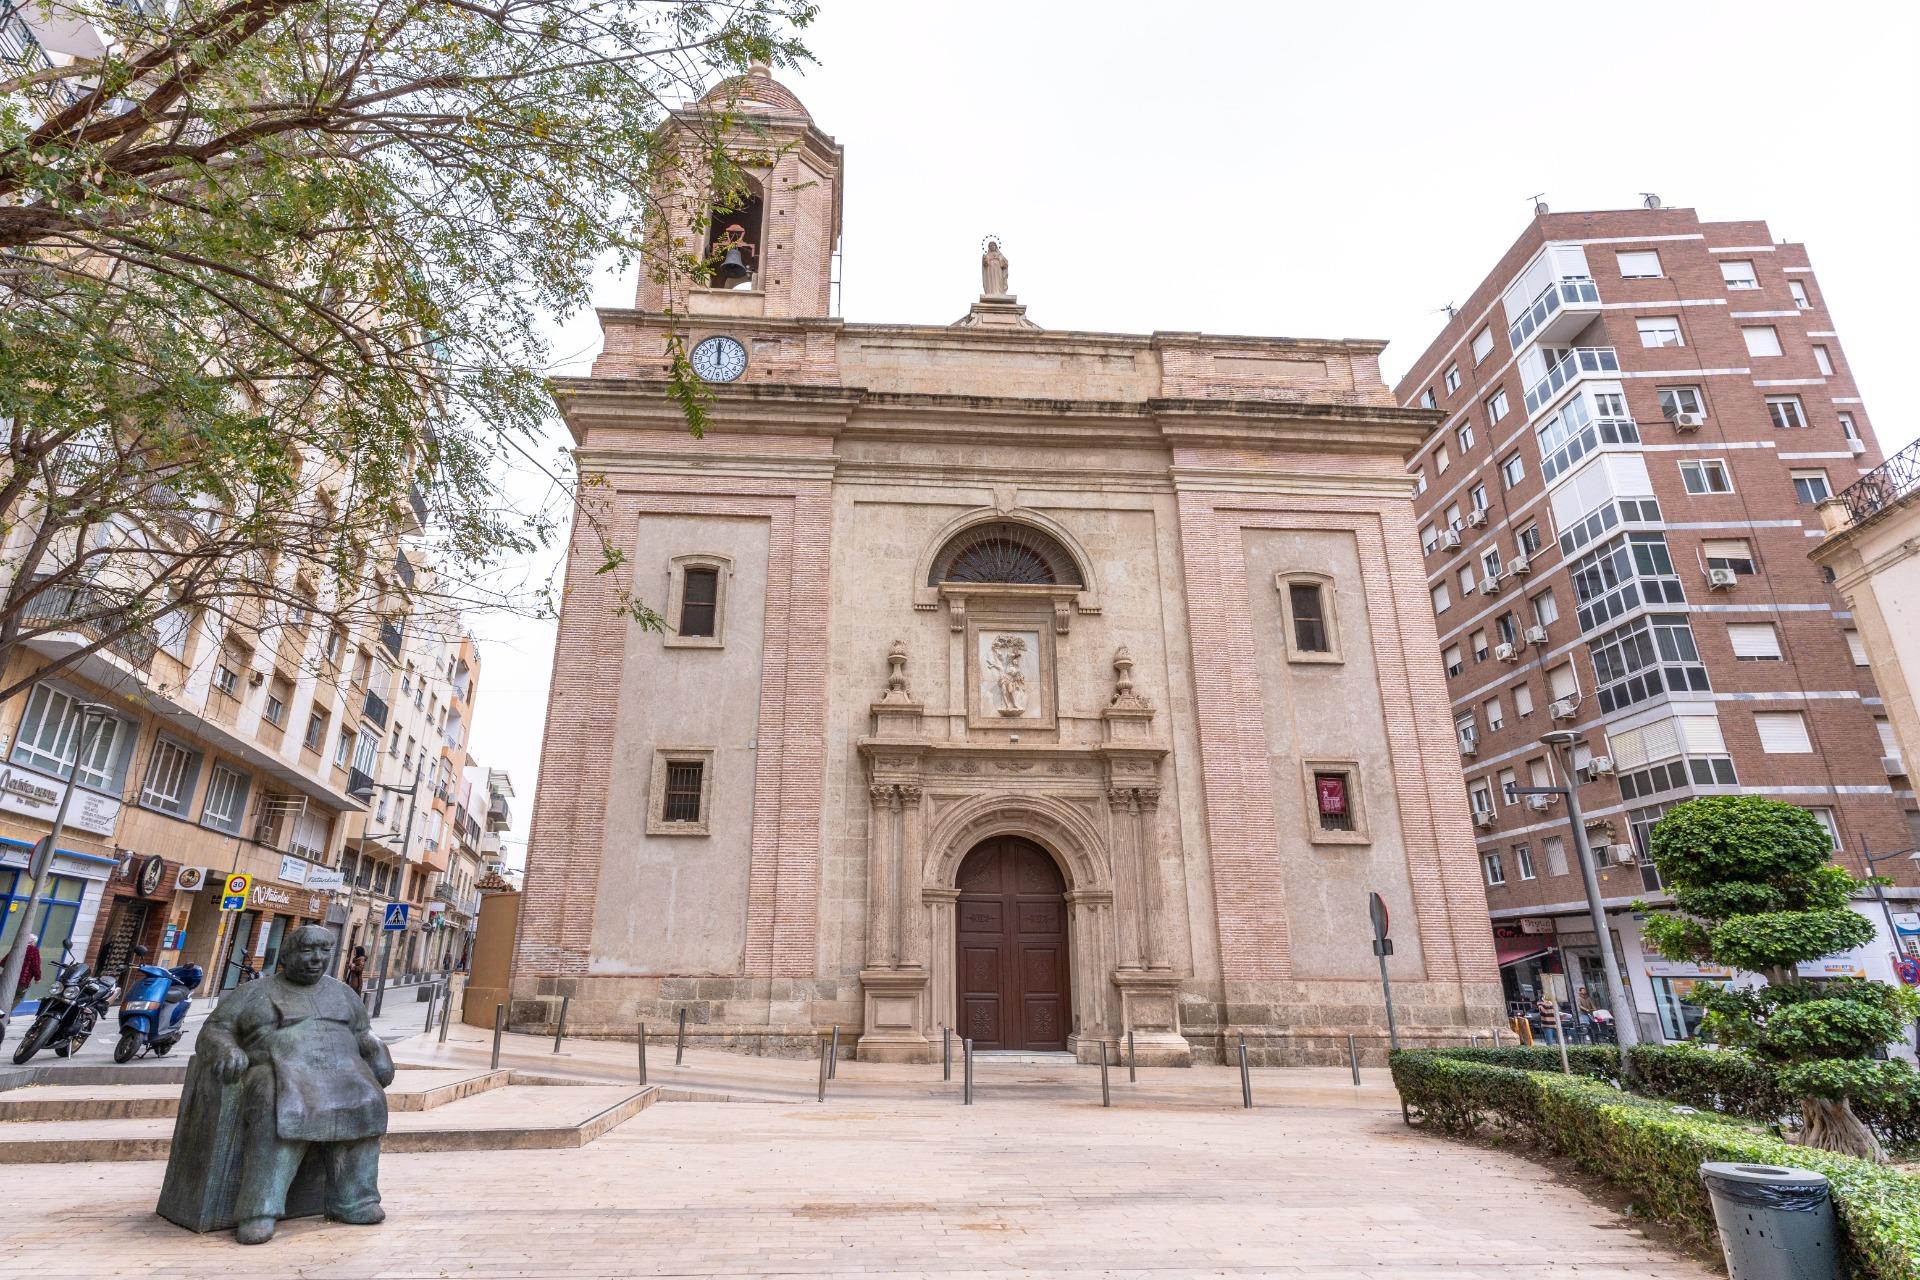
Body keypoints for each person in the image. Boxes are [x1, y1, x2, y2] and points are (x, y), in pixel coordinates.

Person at [189, 925, 392, 1244]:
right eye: (308, 950)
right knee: (277, 1104)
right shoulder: (255, 991)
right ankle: (260, 1210)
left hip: (341, 1072)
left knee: (368, 1099)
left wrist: (377, 1048)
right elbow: (215, 1029)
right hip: (278, 1070)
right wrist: (227, 1049)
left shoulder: (342, 992)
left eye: (324, 951)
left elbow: (363, 1032)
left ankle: (355, 1200)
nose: (316, 959)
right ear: (286, 955)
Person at [13, 933, 40, 1005]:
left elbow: (4, 962)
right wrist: (37, 978)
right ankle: (5, 1014)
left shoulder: (17, 947)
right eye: (34, 942)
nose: (34, 944)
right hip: (22, 981)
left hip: (9, 978)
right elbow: (36, 966)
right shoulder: (33, 950)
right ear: (32, 942)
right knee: (18, 996)